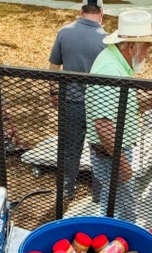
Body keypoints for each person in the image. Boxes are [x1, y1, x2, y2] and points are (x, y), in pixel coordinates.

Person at [86, 10, 152, 222]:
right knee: (125, 210)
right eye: (147, 47)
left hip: (112, 153)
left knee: (111, 204)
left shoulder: (119, 63)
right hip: (111, 155)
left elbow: (118, 111)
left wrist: (149, 103)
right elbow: (103, 126)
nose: (148, 53)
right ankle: (121, 249)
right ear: (131, 46)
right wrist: (123, 164)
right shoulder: (111, 70)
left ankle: (107, 245)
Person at [48, 1, 108, 199]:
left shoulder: (64, 32)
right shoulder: (107, 40)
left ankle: (67, 188)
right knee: (100, 149)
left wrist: (54, 93)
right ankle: (99, 193)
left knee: (70, 148)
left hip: (70, 102)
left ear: (81, 11)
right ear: (102, 13)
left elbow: (54, 67)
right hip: (98, 106)